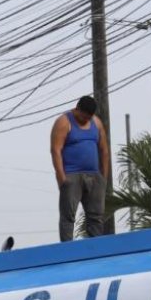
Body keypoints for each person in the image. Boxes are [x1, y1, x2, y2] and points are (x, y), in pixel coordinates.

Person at [50, 95, 109, 242]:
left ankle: (96, 249)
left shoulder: (96, 123)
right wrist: (62, 178)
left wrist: (103, 177)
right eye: (83, 116)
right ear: (77, 109)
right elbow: (55, 150)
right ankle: (68, 250)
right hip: (72, 175)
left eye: (88, 117)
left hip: (94, 176)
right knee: (68, 217)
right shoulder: (64, 122)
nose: (85, 120)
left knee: (96, 216)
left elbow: (104, 150)